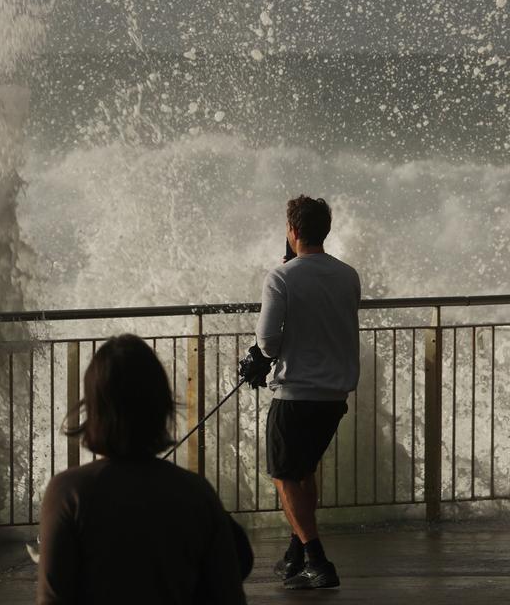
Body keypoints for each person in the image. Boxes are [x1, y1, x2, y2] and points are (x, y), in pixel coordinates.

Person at [37, 334, 248, 604]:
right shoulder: (196, 493)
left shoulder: (68, 492)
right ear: (161, 406)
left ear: (94, 408)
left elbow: (52, 599)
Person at [246, 195, 361, 590]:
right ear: (324, 230)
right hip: (333, 397)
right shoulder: (348, 275)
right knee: (304, 471)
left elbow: (267, 340)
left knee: (284, 475)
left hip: (295, 395)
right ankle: (296, 553)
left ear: (293, 231)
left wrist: (260, 357)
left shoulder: (281, 277)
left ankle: (316, 560)